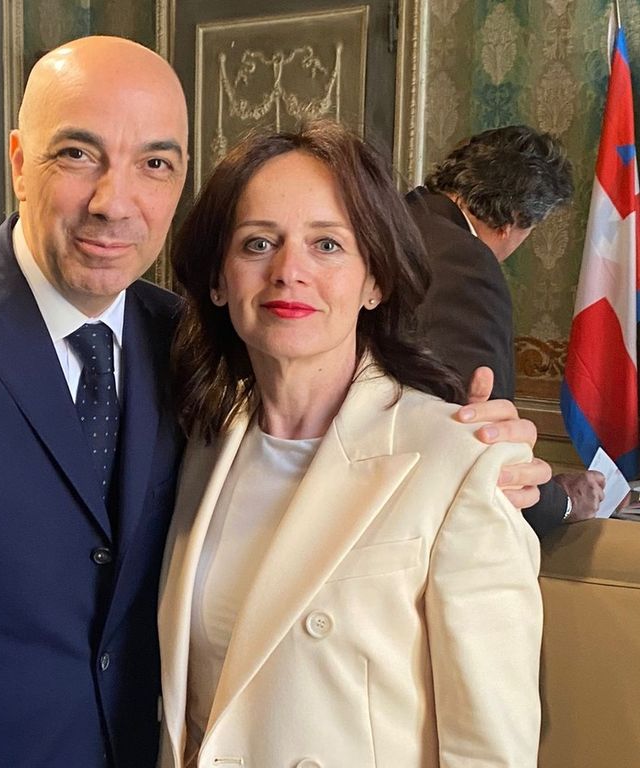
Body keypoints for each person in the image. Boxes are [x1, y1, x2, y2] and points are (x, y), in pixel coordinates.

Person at [0, 38, 547, 768]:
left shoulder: (182, 348)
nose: (114, 202)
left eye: (154, 163)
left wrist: (472, 452)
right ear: (19, 163)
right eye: (77, 154)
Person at [158, 123, 542, 767]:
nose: (289, 272)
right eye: (258, 243)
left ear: (375, 282)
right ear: (219, 280)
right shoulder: (198, 447)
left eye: (328, 245)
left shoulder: (458, 460)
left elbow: (491, 748)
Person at [408, 125, 605, 536]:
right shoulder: (464, 262)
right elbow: (479, 429)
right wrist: (564, 500)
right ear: (514, 219)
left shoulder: (405, 218)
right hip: (423, 520)